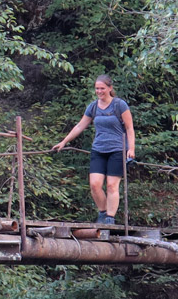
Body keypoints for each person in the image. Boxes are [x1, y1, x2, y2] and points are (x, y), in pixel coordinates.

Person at [51, 76, 135, 225]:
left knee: (111, 185)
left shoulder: (119, 105)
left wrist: (131, 148)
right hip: (98, 149)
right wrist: (64, 141)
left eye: (102, 88)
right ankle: (102, 212)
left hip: (117, 149)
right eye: (97, 88)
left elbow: (129, 128)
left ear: (110, 88)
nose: (99, 91)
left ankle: (110, 218)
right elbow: (80, 126)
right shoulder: (93, 107)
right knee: (95, 185)